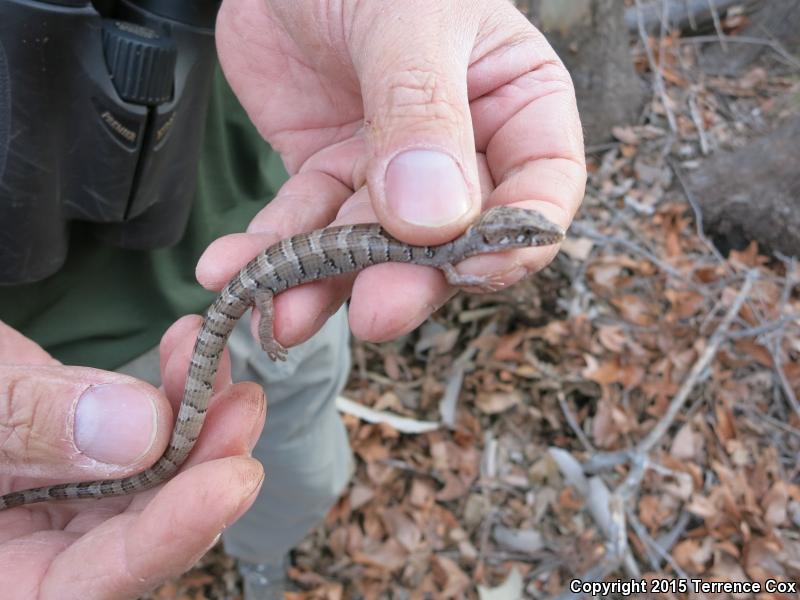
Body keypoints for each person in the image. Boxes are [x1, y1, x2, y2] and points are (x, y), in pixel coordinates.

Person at [0, 0, 586, 598]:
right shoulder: (448, 243)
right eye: (522, 235)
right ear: (495, 233)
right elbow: (444, 266)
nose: (529, 241)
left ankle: (265, 552)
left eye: (524, 236)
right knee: (175, 466)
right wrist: (465, 277)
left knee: (290, 453)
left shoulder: (451, 230)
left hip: (265, 227)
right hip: (84, 345)